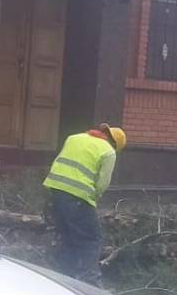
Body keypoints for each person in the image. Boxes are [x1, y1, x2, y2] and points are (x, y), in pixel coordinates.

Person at [42, 122, 127, 286]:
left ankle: (63, 279)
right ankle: (90, 282)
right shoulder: (108, 152)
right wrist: (94, 197)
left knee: (67, 235)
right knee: (92, 238)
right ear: (115, 145)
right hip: (78, 196)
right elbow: (102, 183)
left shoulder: (73, 138)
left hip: (55, 190)